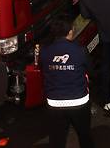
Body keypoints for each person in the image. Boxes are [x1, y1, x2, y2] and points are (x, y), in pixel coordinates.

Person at [40, 16, 94, 148]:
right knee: (84, 135)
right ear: (70, 32)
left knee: (57, 139)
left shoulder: (45, 51)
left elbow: (43, 68)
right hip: (79, 102)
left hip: (54, 104)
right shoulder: (80, 50)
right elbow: (90, 70)